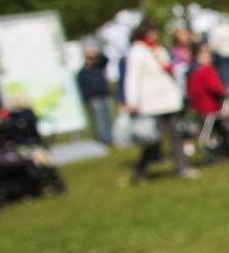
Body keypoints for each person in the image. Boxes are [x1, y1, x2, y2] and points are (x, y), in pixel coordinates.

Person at [124, 25, 191, 184]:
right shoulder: (137, 52)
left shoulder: (159, 49)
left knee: (176, 133)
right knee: (153, 139)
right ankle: (140, 169)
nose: (154, 35)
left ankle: (181, 167)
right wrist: (132, 101)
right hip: (151, 100)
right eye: (150, 32)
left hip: (168, 98)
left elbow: (168, 69)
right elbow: (132, 78)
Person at [77, 45, 116, 147]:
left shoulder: (98, 66)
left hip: (104, 95)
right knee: (99, 120)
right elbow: (82, 88)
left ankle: (110, 138)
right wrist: (86, 100)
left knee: (107, 118)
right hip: (93, 98)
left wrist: (96, 52)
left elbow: (105, 59)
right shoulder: (82, 72)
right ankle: (102, 140)